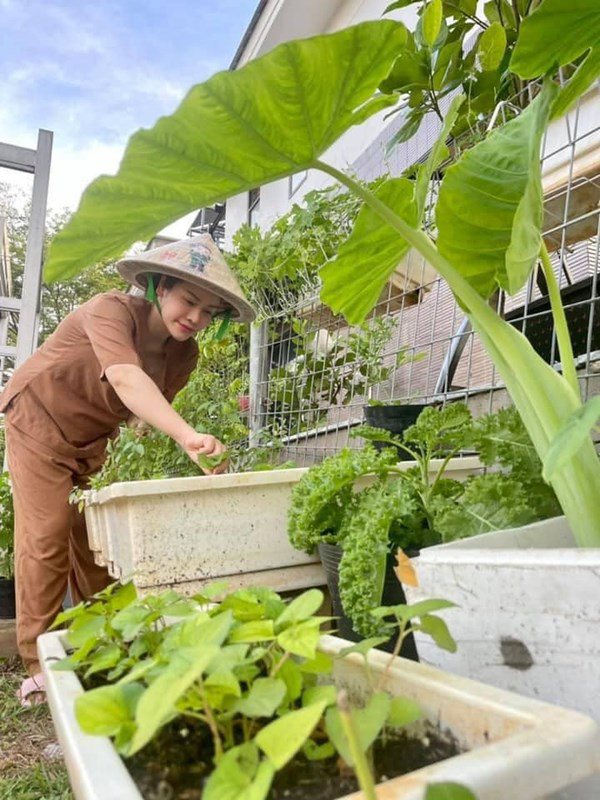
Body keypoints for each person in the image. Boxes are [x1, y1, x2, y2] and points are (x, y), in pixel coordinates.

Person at [0, 234, 255, 705]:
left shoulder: (185, 355)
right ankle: (41, 665)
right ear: (159, 287)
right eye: (189, 300)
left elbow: (143, 413)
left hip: (90, 441)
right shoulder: (109, 310)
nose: (196, 317)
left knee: (94, 537)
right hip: (38, 416)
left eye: (209, 311)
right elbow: (125, 377)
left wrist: (189, 450)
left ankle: (107, 639)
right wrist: (188, 437)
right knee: (48, 532)